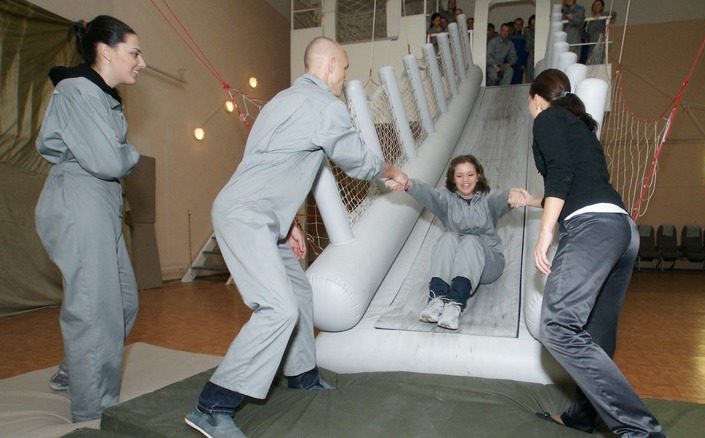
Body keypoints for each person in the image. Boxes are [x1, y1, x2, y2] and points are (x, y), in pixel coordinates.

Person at [184, 36, 410, 438]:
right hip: (248, 216)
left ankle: (301, 374)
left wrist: (288, 222)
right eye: (343, 69)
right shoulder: (324, 104)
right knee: (279, 308)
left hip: (262, 215)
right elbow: (356, 160)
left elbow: (272, 161)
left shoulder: (279, 102)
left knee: (299, 293)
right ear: (328, 67)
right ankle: (212, 405)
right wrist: (392, 171)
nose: (344, 78)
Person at [521, 69, 667, 437]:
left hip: (593, 230)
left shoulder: (547, 117)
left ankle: (643, 431)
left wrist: (544, 233)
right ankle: (582, 417)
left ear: (536, 98)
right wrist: (533, 201)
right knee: (597, 337)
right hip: (621, 230)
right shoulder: (580, 126)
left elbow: (561, 172)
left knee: (556, 326)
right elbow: (579, 183)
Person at [34, 15, 146, 422]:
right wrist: (130, 154)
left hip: (101, 199)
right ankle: (92, 411)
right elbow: (107, 159)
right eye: (134, 52)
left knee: (123, 302)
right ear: (106, 50)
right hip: (79, 197)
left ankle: (75, 365)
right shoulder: (77, 90)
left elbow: (110, 156)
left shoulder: (101, 96)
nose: (141, 62)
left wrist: (121, 153)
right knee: (95, 308)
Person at [385, 155, 526, 330]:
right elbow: (427, 194)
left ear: (478, 176)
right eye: (459, 176)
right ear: (453, 178)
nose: (465, 180)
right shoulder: (447, 201)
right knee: (448, 237)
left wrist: (513, 193)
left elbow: (503, 198)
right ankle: (436, 300)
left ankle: (455, 305)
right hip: (458, 265)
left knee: (471, 240)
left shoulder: (488, 200)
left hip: (488, 264)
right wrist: (407, 184)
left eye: (470, 174)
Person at [525, 15, 536, 82]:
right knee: (530, 75)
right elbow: (528, 47)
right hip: (531, 57)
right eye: (532, 24)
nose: (534, 25)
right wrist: (533, 58)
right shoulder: (530, 33)